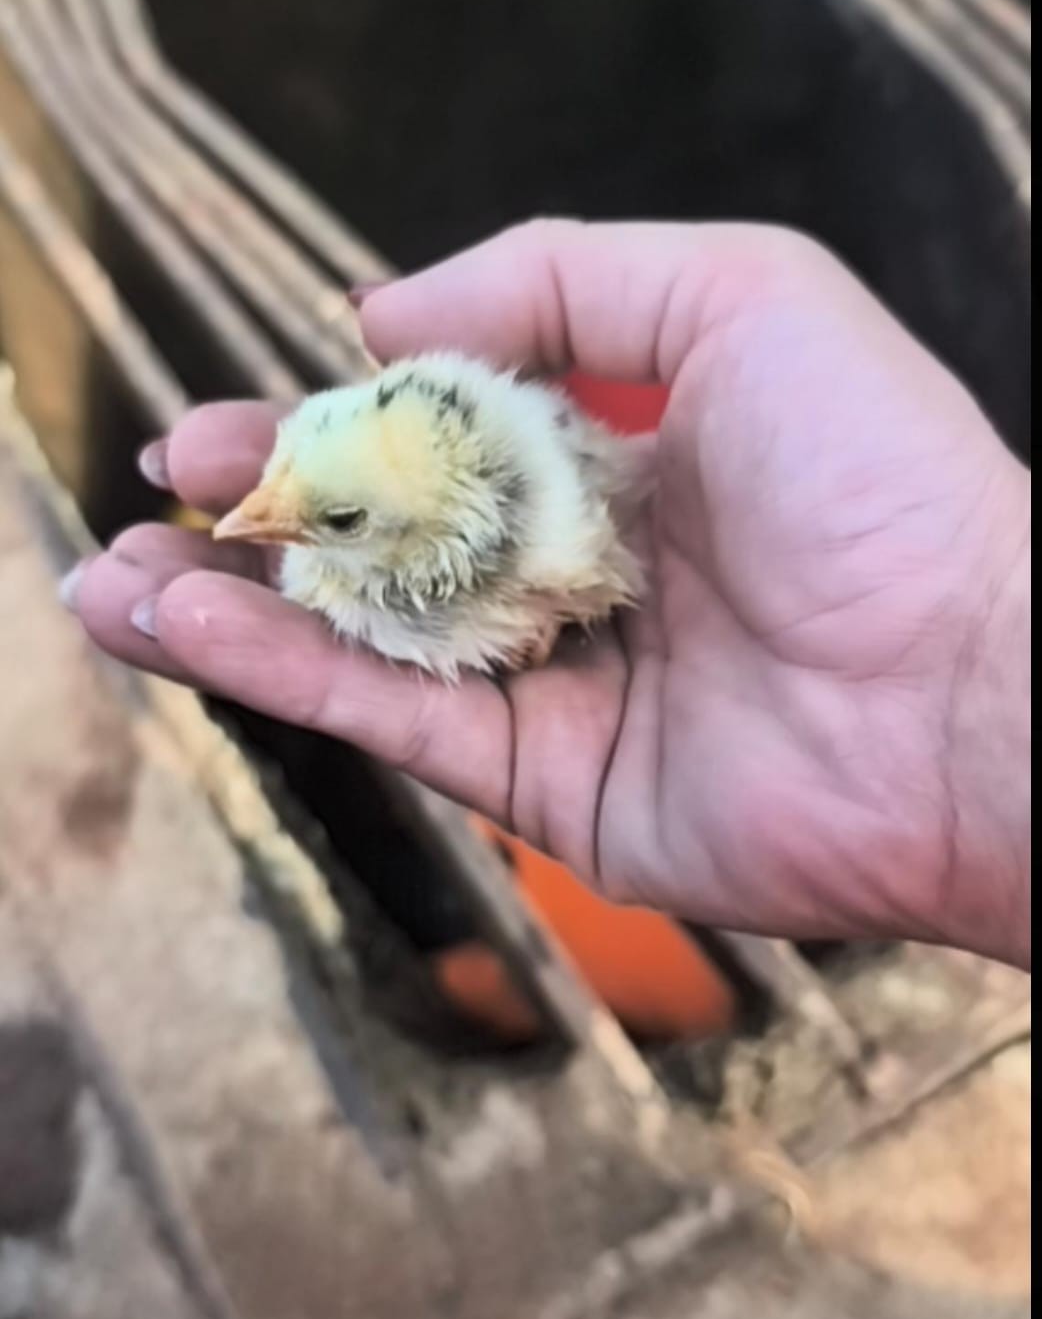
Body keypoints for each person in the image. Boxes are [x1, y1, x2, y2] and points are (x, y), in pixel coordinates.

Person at [63, 223, 1031, 969]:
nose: (264, 512)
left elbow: (540, 556)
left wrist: (975, 637)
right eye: (293, 471)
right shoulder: (362, 457)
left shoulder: (461, 574)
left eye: (337, 522)